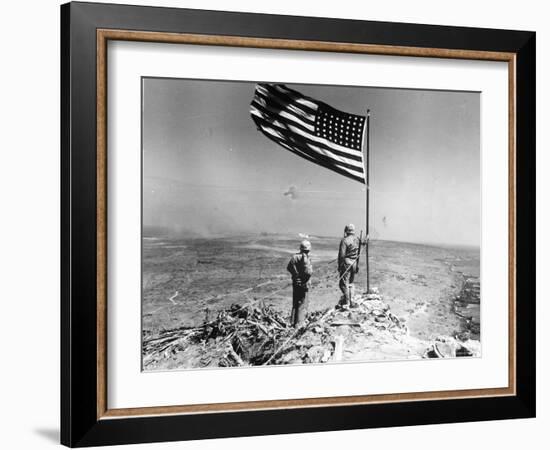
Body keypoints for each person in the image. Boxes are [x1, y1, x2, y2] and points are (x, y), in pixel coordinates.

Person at [287, 240, 313, 327]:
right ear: (309, 249)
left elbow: (289, 267)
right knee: (302, 303)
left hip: (296, 283)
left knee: (295, 302)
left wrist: (296, 276)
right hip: (304, 284)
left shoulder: (295, 257)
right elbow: (309, 272)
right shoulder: (307, 258)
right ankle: (299, 323)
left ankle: (293, 322)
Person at [337, 224, 362, 308]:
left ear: (346, 231)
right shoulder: (357, 240)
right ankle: (352, 301)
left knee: (342, 284)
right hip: (354, 264)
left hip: (346, 263)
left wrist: (340, 265)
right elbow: (360, 250)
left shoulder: (345, 241)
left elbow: (341, 255)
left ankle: (347, 301)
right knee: (351, 283)